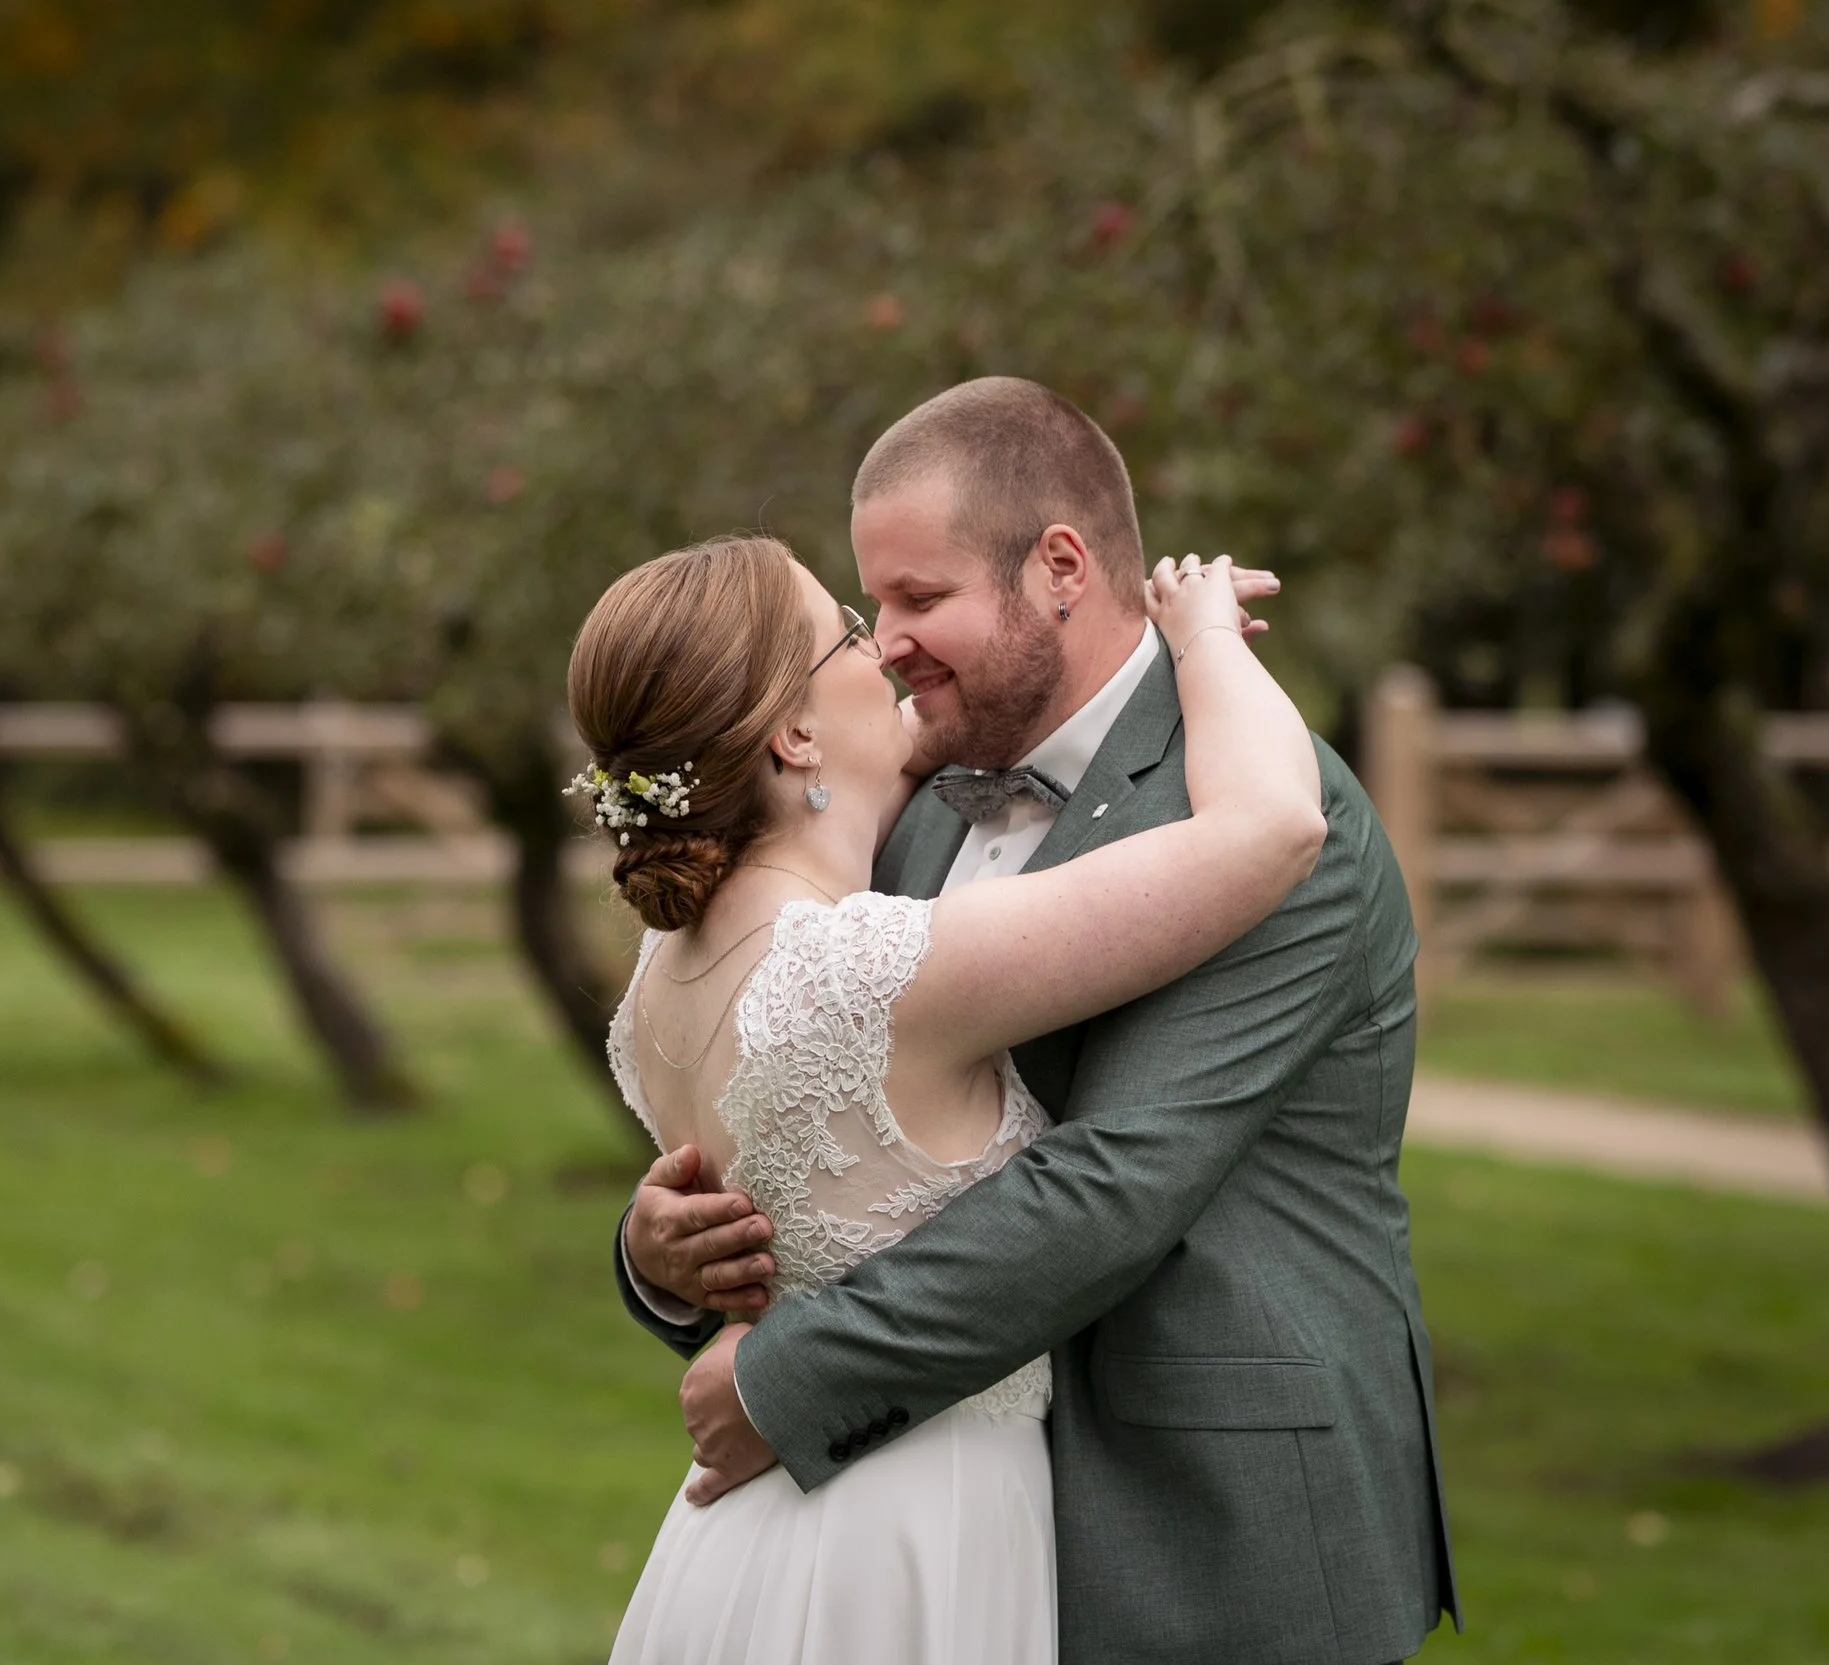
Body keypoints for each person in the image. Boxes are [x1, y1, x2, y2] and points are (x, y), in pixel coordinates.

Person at [615, 379, 1458, 1665]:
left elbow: (1111, 1180)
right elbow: (838, 1108)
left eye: (915, 597)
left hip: (1215, 1528)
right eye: (867, 609)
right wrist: (663, 1248)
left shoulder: (1280, 822)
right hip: (946, 1523)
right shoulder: (913, 795)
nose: (887, 642)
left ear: (1059, 564)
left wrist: (787, 1382)